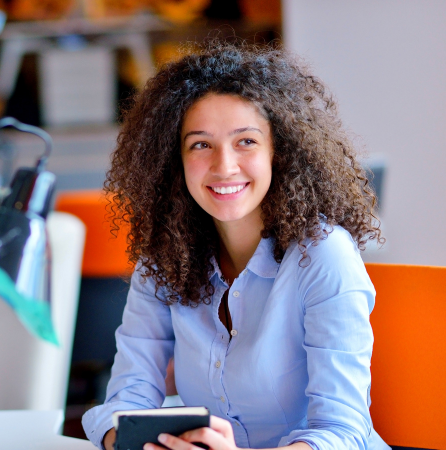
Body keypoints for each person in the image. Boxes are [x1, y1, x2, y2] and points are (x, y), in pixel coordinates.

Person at [81, 43, 389, 450]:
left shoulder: (323, 254)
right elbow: (126, 400)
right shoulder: (164, 258)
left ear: (279, 151)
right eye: (200, 144)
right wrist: (129, 440)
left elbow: (342, 431)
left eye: (245, 141)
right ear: (175, 160)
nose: (224, 166)